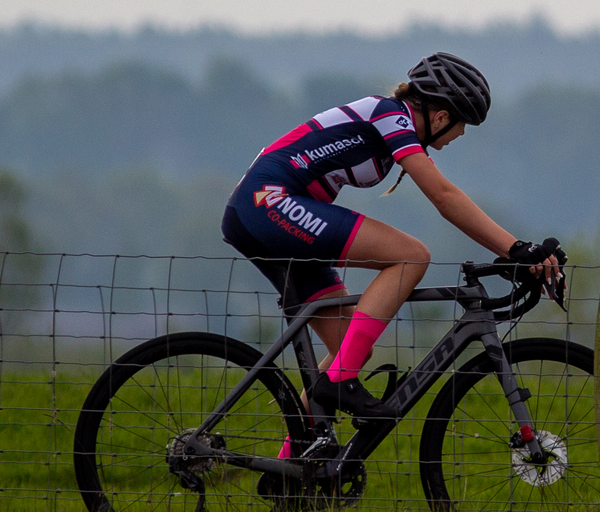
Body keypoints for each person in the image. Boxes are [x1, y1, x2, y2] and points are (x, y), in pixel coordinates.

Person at [221, 52, 563, 421]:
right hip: (268, 202)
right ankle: (340, 382)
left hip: (259, 211)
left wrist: (515, 250)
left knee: (349, 345)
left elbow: (451, 199)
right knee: (410, 257)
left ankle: (298, 461)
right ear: (441, 116)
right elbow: (444, 198)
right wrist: (516, 250)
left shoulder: (395, 127)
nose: (461, 133)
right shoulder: (390, 116)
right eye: (462, 123)